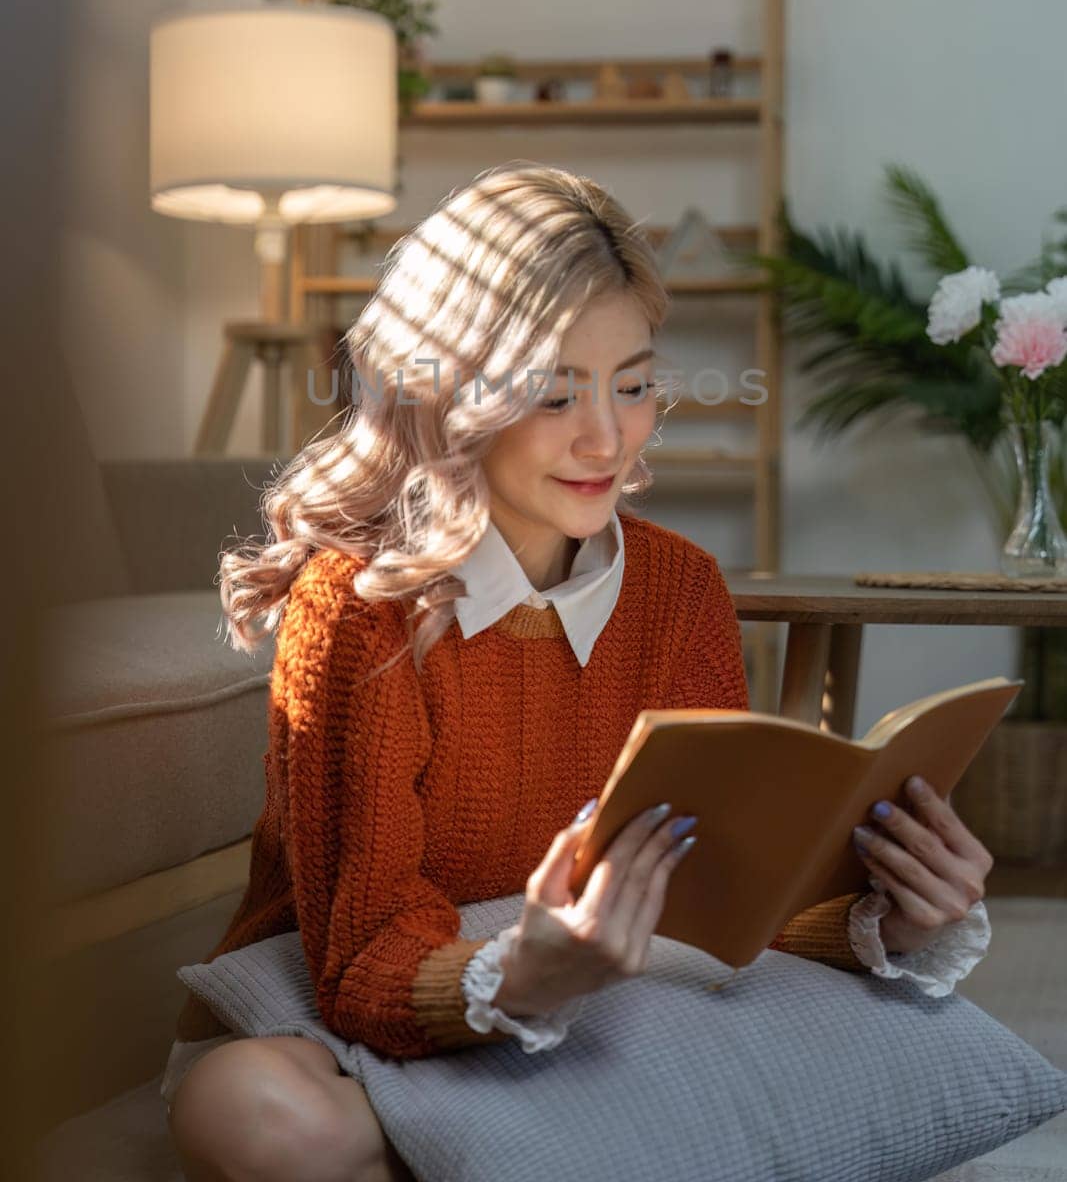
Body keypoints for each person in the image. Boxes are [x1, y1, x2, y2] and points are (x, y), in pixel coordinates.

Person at [163, 164, 994, 1182]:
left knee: (865, 1033)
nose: (606, 435)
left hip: (608, 999)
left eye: (633, 384)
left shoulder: (679, 589)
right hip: (379, 1006)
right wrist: (524, 972)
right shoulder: (357, 608)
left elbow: (724, 918)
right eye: (552, 391)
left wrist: (893, 917)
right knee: (253, 1115)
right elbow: (360, 965)